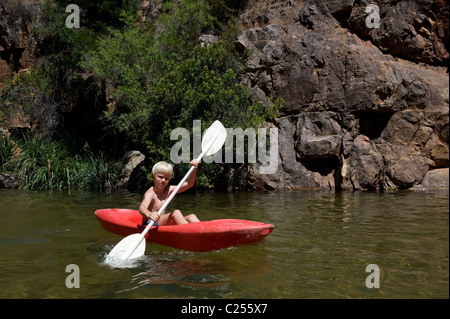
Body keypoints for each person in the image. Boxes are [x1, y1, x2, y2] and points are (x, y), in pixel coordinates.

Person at [139, 159, 200, 226]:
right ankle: (190, 232)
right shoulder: (150, 193)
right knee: (175, 213)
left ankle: (203, 232)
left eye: (166, 178)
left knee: (191, 217)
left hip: (160, 222)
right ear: (153, 177)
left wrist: (194, 168)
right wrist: (149, 214)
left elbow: (189, 184)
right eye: (160, 177)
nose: (163, 180)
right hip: (150, 223)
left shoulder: (169, 190)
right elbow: (142, 208)